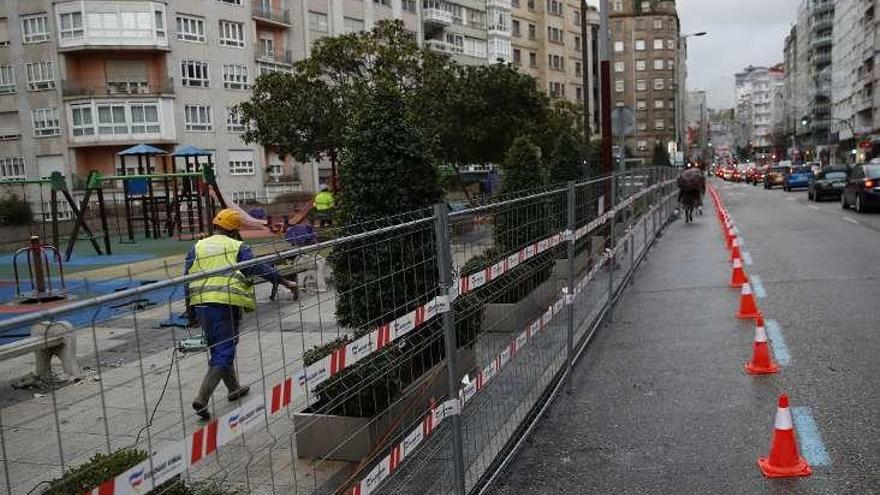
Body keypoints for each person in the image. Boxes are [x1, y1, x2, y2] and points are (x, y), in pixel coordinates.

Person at [185, 209, 296, 420]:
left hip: (201, 305)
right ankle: (202, 397)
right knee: (224, 351)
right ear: (235, 230)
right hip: (224, 304)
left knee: (219, 348)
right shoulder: (237, 246)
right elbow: (257, 268)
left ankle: (233, 388)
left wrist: (190, 311)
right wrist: (283, 282)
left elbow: (186, 278)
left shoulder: (196, 247)